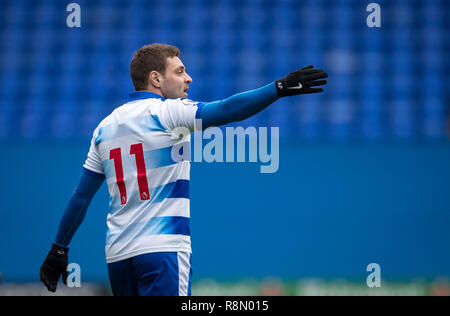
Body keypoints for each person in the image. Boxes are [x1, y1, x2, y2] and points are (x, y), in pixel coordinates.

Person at [40, 43, 328, 296]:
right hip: (163, 251)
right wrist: (278, 88)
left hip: (118, 257)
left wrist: (59, 249)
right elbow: (228, 109)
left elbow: (81, 197)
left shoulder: (104, 128)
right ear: (155, 78)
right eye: (179, 71)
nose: (188, 78)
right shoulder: (168, 112)